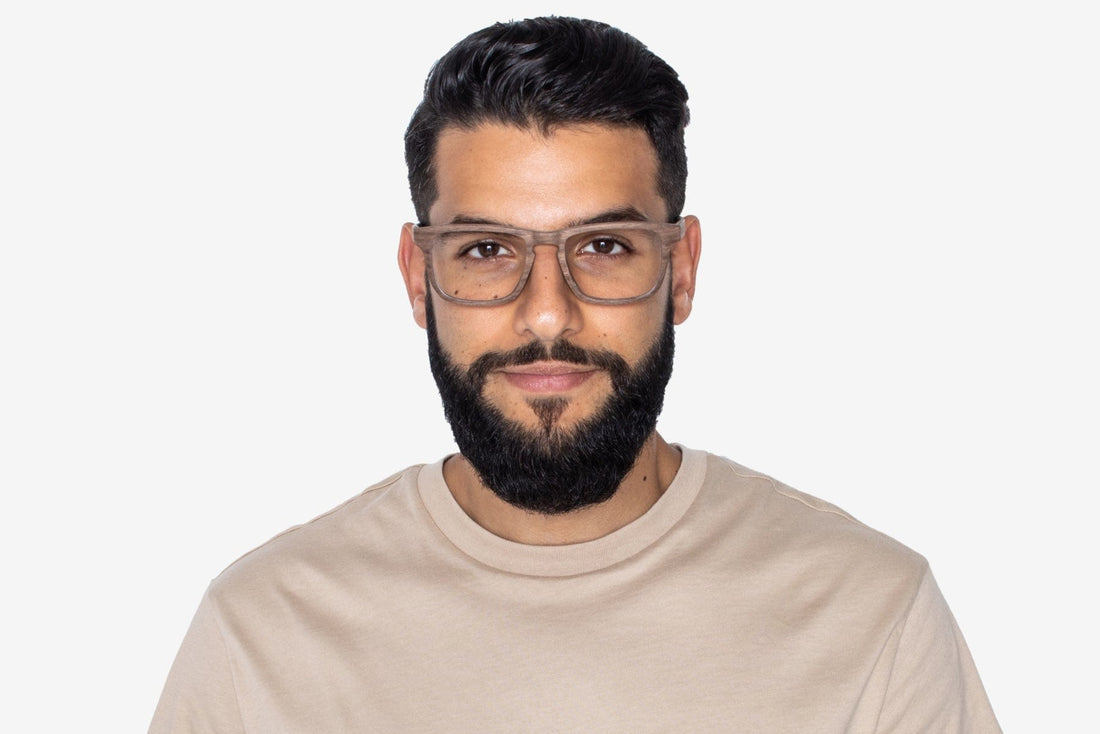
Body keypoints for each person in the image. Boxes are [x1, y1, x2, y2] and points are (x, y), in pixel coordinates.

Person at [149, 16, 1000, 733]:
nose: (547, 313)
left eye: (603, 247)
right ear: (417, 276)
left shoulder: (868, 613)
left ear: (685, 268)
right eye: (486, 250)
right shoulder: (260, 636)